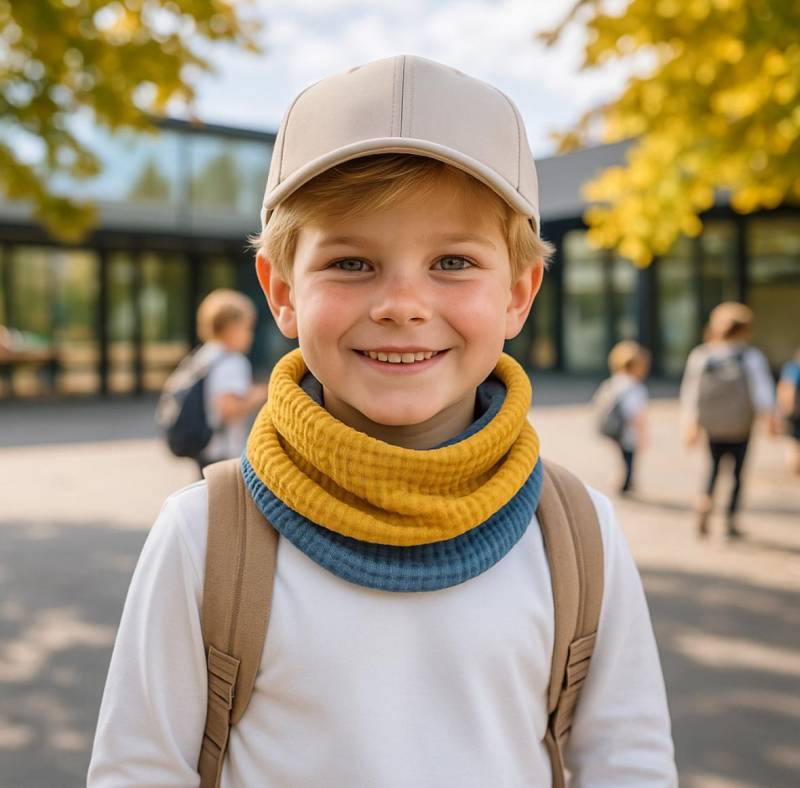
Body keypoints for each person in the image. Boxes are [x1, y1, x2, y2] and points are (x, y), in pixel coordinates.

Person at [88, 55, 677, 786]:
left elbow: (630, 766)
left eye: (454, 262)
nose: (403, 303)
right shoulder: (207, 536)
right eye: (352, 264)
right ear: (281, 291)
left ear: (520, 295)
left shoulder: (577, 533)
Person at [680, 302, 776, 538]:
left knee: (712, 469)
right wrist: (770, 419)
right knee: (737, 473)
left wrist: (690, 424)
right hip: (741, 425)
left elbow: (691, 393)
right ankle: (730, 519)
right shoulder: (750, 357)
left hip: (712, 425)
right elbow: (762, 392)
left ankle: (705, 503)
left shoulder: (702, 355)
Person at [192, 289, 267, 472]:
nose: (250, 335)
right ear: (232, 328)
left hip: (205, 446)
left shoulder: (206, 355)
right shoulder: (232, 361)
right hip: (224, 451)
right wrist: (261, 395)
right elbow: (228, 408)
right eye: (247, 328)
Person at [593, 341, 651, 495]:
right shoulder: (635, 387)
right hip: (628, 432)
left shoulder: (612, 382)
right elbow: (636, 414)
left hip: (614, 429)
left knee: (622, 458)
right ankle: (626, 483)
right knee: (630, 459)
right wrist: (642, 435)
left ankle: (623, 481)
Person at [777, 349, 800, 475]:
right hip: (796, 411)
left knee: (795, 441)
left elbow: (786, 388)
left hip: (795, 411)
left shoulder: (793, 367)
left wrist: (785, 408)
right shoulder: (794, 368)